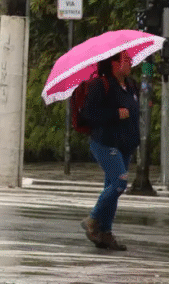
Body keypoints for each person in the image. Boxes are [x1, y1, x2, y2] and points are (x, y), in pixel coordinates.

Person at [79, 50, 138, 251]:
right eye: (126, 60)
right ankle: (92, 219)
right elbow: (89, 114)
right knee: (120, 183)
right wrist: (115, 114)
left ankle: (105, 232)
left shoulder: (131, 85)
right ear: (114, 63)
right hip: (105, 142)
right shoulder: (100, 85)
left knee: (112, 189)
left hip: (125, 145)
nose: (130, 63)